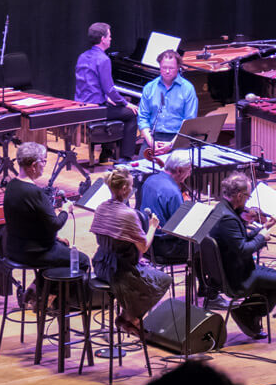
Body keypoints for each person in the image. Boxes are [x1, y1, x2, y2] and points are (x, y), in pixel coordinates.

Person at [90, 167, 172, 334]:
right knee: (164, 279)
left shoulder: (100, 208)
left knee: (146, 273)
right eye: (132, 187)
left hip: (100, 265)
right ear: (125, 189)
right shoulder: (128, 214)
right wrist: (153, 227)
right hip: (120, 272)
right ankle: (130, 317)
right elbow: (144, 246)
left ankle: (127, 316)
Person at [208, 172, 276, 339]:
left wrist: (264, 227)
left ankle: (247, 312)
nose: (247, 200)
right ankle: (246, 313)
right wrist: (262, 238)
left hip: (232, 268)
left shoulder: (221, 208)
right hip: (237, 277)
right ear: (239, 195)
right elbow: (243, 249)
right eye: (247, 196)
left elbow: (239, 239)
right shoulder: (228, 218)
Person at [2, 141, 90, 271]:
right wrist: (65, 210)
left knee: (63, 245)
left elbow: (28, 223)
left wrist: (55, 238)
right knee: (82, 260)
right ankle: (47, 290)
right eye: (43, 161)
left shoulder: (11, 185)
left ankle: (39, 289)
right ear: (33, 165)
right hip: (35, 253)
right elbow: (55, 225)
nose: (44, 165)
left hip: (13, 249)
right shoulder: (35, 192)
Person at [74, 22, 138, 163]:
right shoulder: (103, 59)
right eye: (109, 36)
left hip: (81, 107)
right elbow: (109, 89)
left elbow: (89, 85)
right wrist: (126, 103)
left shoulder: (82, 56)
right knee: (132, 114)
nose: (111, 39)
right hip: (95, 111)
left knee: (113, 106)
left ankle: (107, 152)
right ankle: (126, 157)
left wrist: (107, 98)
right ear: (103, 39)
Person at [137, 50, 198, 156]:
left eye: (171, 68)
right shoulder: (149, 87)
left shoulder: (188, 88)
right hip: (153, 137)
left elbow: (189, 121)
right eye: (164, 68)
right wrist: (151, 142)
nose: (167, 71)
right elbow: (143, 118)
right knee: (141, 170)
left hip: (178, 137)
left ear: (178, 67)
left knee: (177, 170)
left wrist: (171, 145)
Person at [138, 149, 192, 261]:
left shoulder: (150, 179)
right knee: (206, 246)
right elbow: (181, 229)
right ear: (179, 170)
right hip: (164, 247)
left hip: (147, 241)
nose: (189, 174)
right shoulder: (173, 192)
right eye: (189, 170)